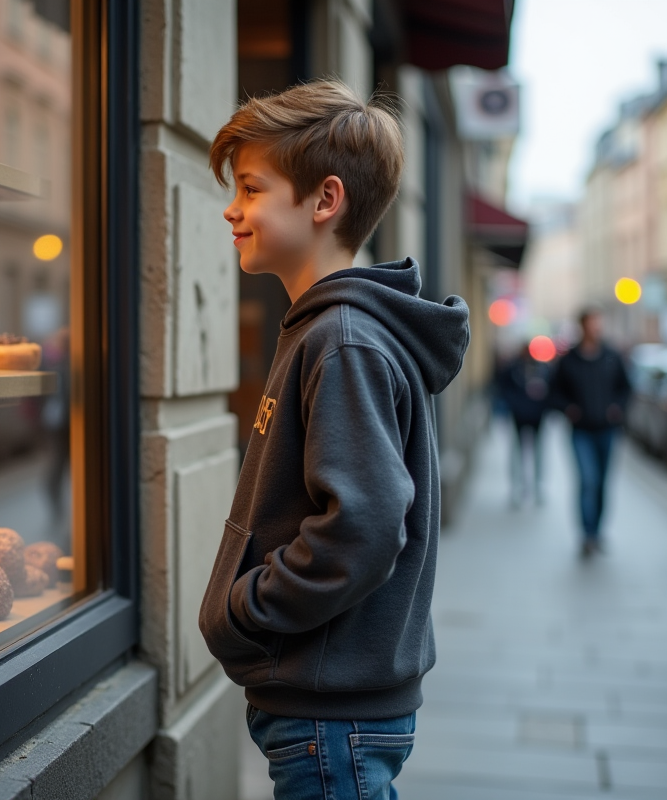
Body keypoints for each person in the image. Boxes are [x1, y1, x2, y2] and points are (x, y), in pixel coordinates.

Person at [198, 80, 469, 800]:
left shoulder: (342, 341)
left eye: (252, 189)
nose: (233, 208)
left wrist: (246, 609)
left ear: (325, 201)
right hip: (330, 709)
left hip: (330, 715)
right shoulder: (330, 331)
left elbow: (365, 526)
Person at [551, 307, 631, 557]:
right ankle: (586, 534)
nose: (597, 327)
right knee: (588, 480)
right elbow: (554, 392)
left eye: (599, 322)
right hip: (581, 431)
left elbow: (626, 388)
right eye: (592, 323)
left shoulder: (611, 356)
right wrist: (568, 409)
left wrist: (617, 408)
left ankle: (597, 531)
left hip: (607, 430)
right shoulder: (569, 359)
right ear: (582, 326)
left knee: (602, 483)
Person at [496, 342, 550, 507]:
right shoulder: (513, 369)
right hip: (518, 415)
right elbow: (503, 388)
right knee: (516, 451)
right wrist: (515, 404)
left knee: (538, 451)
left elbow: (552, 389)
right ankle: (517, 488)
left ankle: (537, 487)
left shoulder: (543, 369)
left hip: (537, 414)